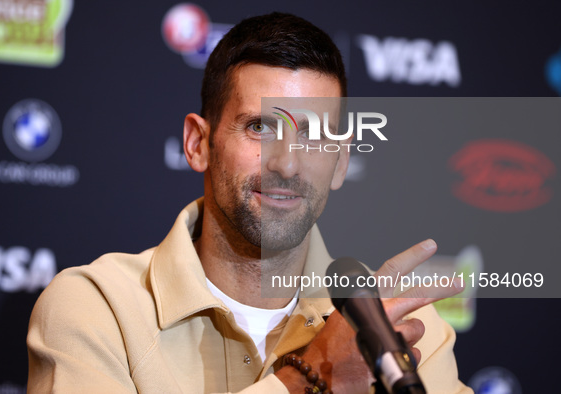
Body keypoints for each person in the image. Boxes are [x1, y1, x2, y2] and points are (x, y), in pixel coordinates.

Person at [27, 12, 471, 393]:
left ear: (340, 163)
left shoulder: (401, 330)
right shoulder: (100, 308)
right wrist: (307, 378)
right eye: (260, 127)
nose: (288, 165)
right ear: (199, 142)